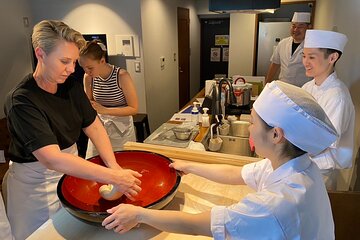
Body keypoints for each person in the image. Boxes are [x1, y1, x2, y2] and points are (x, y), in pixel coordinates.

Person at [102, 81, 337, 239]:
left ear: (276, 135)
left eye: (253, 122)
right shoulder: (296, 166)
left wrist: (139, 214)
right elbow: (237, 174)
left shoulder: (274, 205)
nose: (249, 130)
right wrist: (190, 166)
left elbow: (196, 224)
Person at [2, 20, 142, 240]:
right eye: (64, 61)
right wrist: (113, 176)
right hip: (35, 186)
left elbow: (94, 126)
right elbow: (52, 159)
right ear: (40, 54)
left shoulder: (70, 86)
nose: (72, 69)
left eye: (74, 61)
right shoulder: (22, 100)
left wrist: (113, 165)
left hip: (70, 174)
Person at [302, 29, 355, 190]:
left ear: (332, 58)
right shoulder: (308, 87)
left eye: (311, 57)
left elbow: (322, 141)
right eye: (304, 56)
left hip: (320, 172)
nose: (305, 62)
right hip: (304, 164)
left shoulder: (337, 96)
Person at [79, 40, 138, 159]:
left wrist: (105, 110)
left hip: (122, 128)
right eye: (84, 68)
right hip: (100, 126)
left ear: (102, 61)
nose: (87, 72)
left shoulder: (122, 76)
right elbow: (90, 103)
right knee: (95, 162)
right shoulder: (88, 78)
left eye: (90, 68)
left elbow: (134, 109)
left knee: (123, 162)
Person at [265, 12, 312, 87]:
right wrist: (267, 83)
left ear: (309, 27)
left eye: (300, 26)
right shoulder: (283, 43)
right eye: (293, 26)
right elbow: (275, 64)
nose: (296, 29)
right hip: (283, 87)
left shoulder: (312, 46)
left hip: (302, 89)